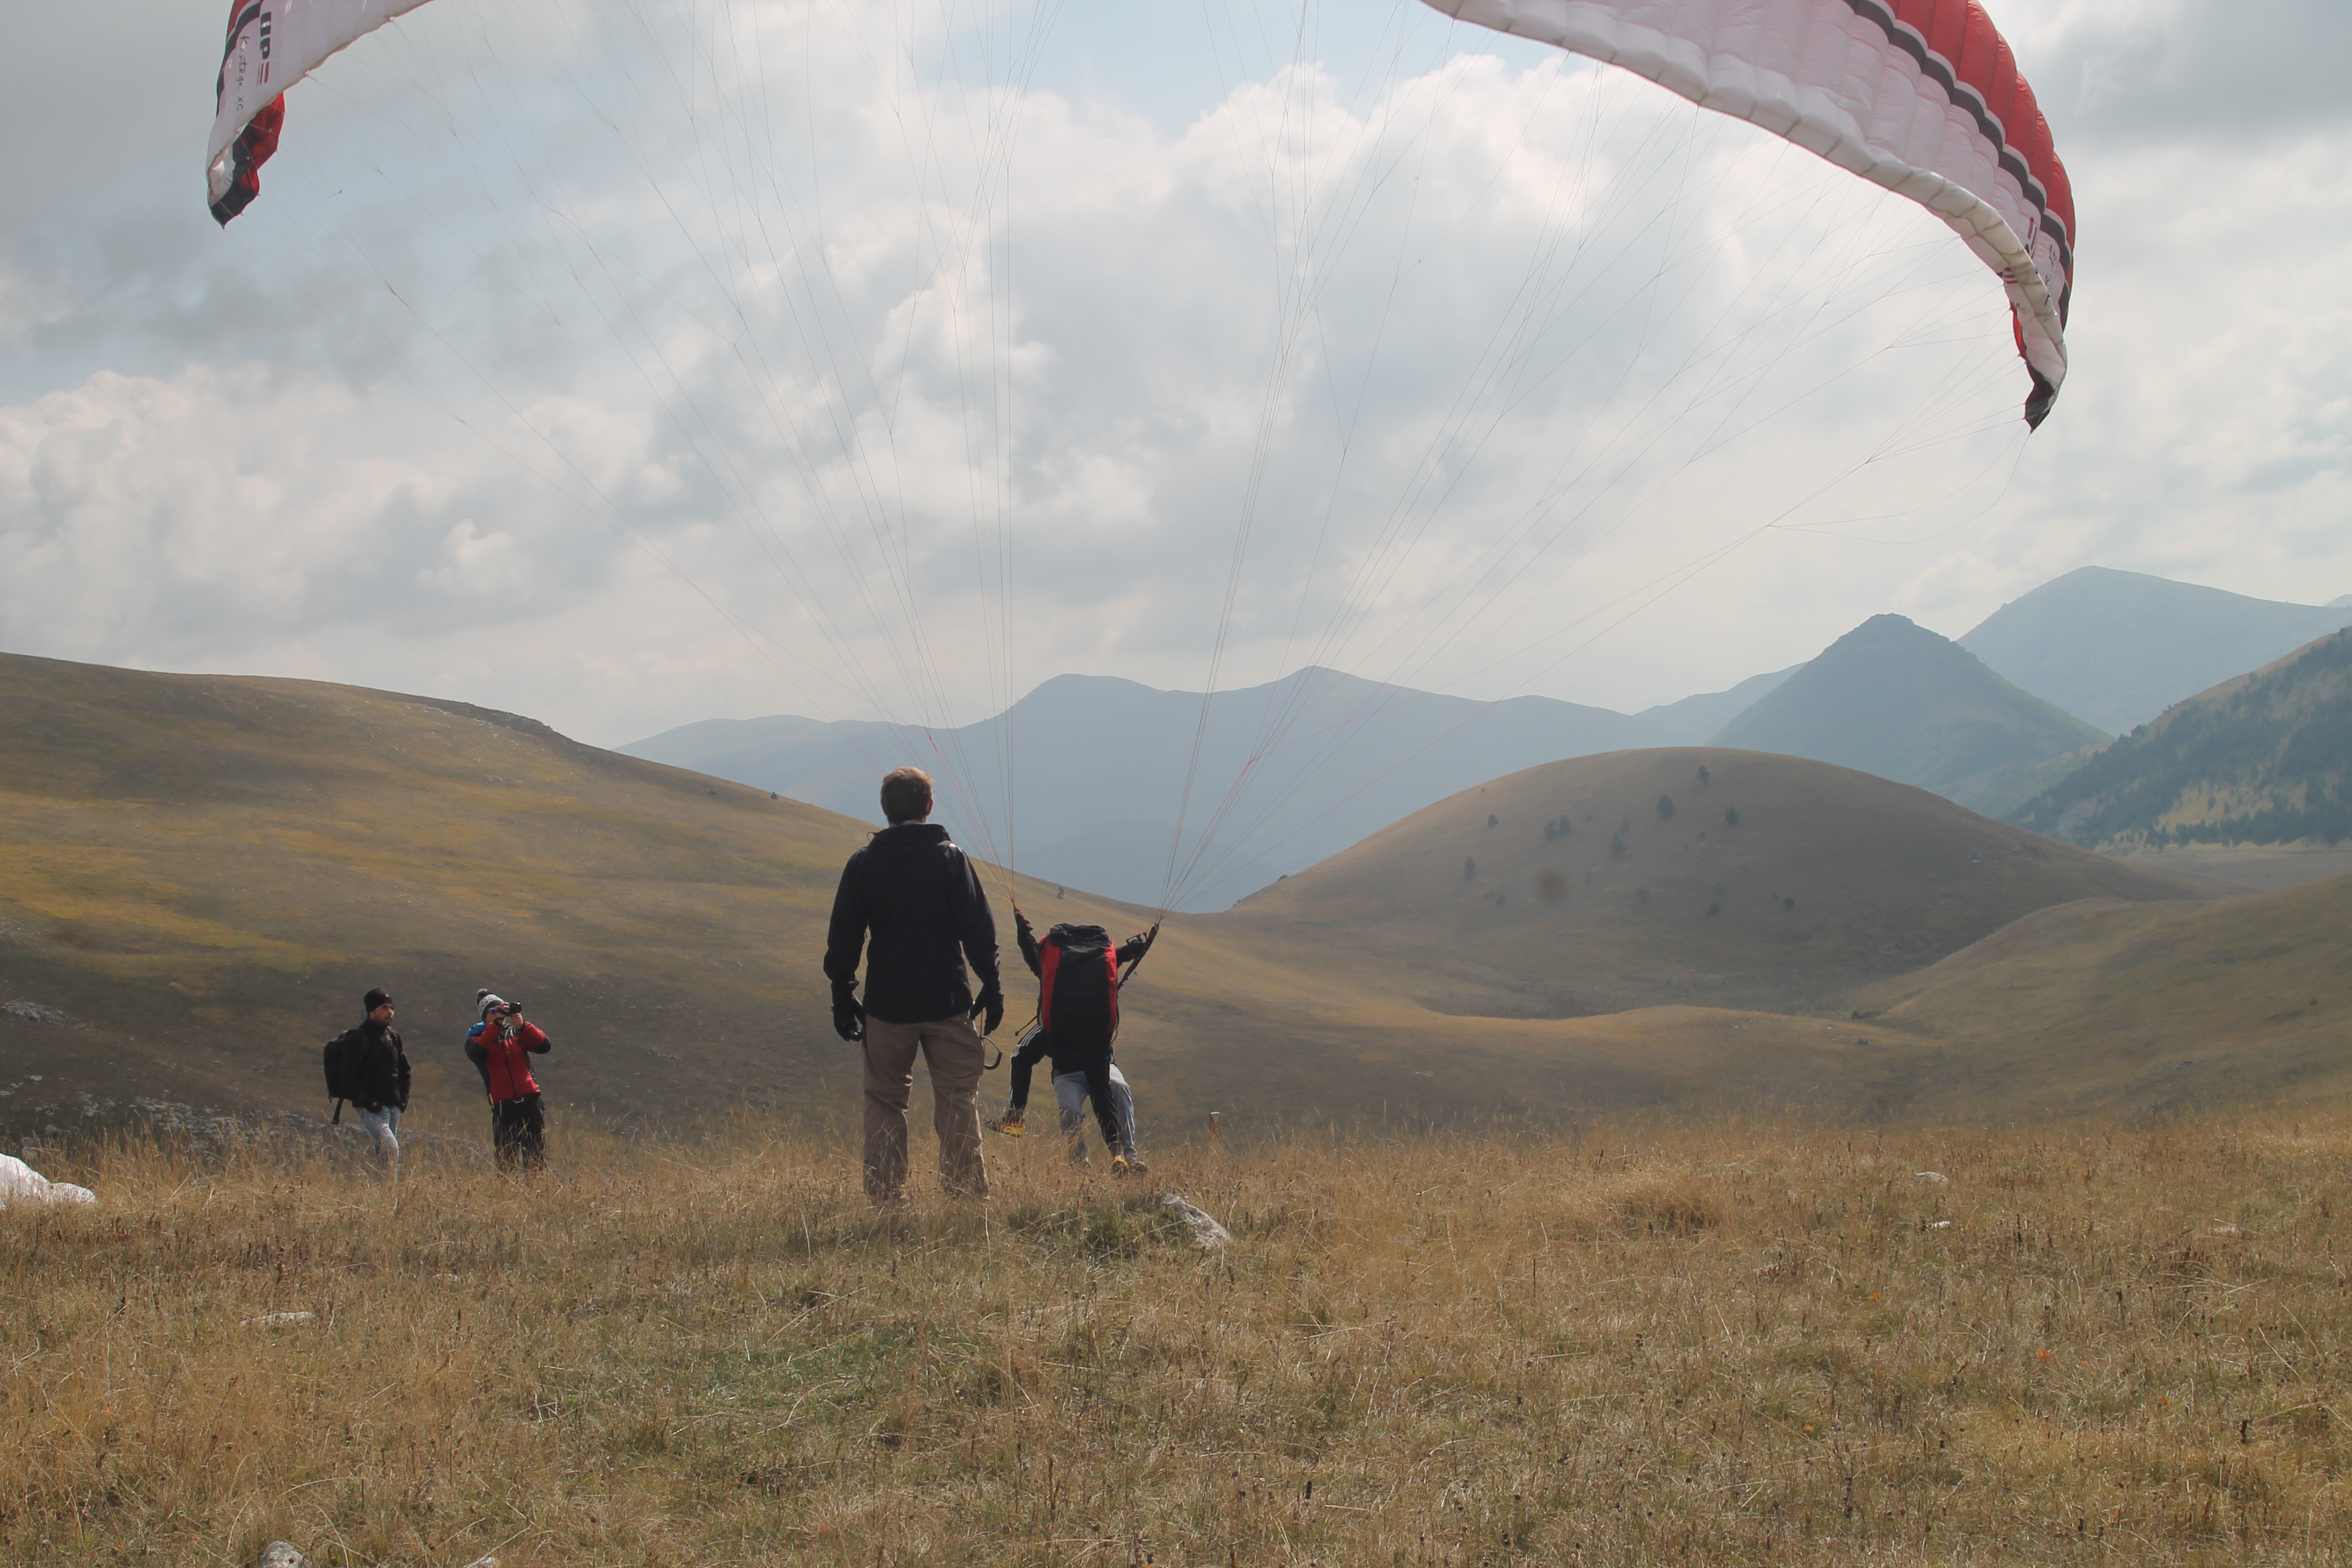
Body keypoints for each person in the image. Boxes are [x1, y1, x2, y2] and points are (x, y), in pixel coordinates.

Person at [823, 766, 1005, 1205]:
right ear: (929, 807)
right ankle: (965, 1198)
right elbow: (977, 928)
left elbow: (846, 934)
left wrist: (842, 992)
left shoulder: (864, 864)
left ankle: (888, 1201)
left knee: (885, 1101)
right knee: (958, 1097)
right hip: (947, 1000)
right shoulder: (950, 858)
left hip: (887, 1005)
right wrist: (992, 983)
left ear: (885, 809)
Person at [995, 910, 1157, 1173]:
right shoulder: (1101, 962)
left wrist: (1021, 930)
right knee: (1104, 1098)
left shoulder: (1053, 965)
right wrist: (1140, 946)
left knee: (1024, 1059)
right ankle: (1109, 1158)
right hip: (1096, 1052)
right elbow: (1121, 957)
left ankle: (1017, 1118)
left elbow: (1031, 955)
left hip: (1062, 1044)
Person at [466, 990, 551, 1171]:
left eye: (500, 1008)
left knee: (535, 1160)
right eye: (493, 1010)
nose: (498, 1013)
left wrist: (523, 1026)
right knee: (507, 1163)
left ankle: (535, 1194)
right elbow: (477, 1053)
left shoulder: (517, 1034)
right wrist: (496, 1026)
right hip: (504, 1108)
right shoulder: (475, 1039)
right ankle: (506, 1197)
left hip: (530, 1104)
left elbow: (544, 1046)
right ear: (485, 1016)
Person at [335, 987, 411, 1176]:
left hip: (393, 1106)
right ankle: (391, 1192)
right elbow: (348, 1077)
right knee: (391, 1148)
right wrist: (370, 1103)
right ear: (371, 1011)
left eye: (392, 1008)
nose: (390, 1012)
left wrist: (402, 1101)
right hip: (371, 1108)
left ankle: (383, 1194)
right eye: (384, 1007)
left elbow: (405, 1070)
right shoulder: (357, 1038)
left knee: (384, 1152)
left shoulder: (394, 1037)